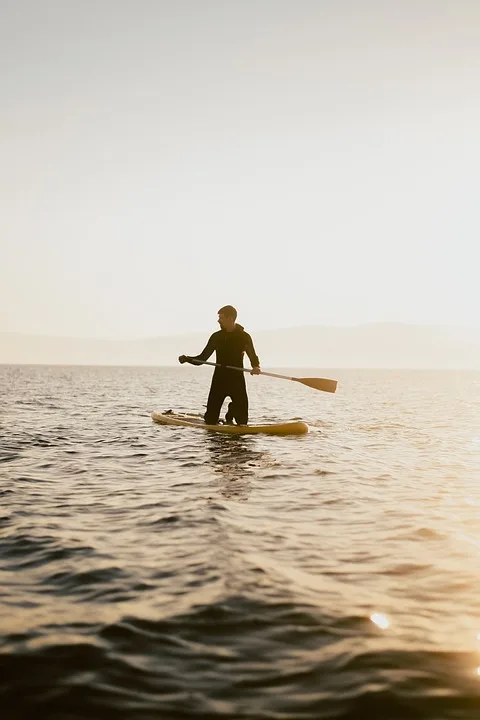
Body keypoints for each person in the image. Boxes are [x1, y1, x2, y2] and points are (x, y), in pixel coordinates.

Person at [178, 305, 261, 425]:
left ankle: (231, 411)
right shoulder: (216, 337)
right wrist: (188, 359)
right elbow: (202, 358)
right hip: (219, 380)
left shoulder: (244, 337)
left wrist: (256, 367)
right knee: (210, 420)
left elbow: (252, 355)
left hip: (236, 380)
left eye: (221, 318)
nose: (218, 320)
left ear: (230, 318)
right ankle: (223, 416)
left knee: (242, 421)